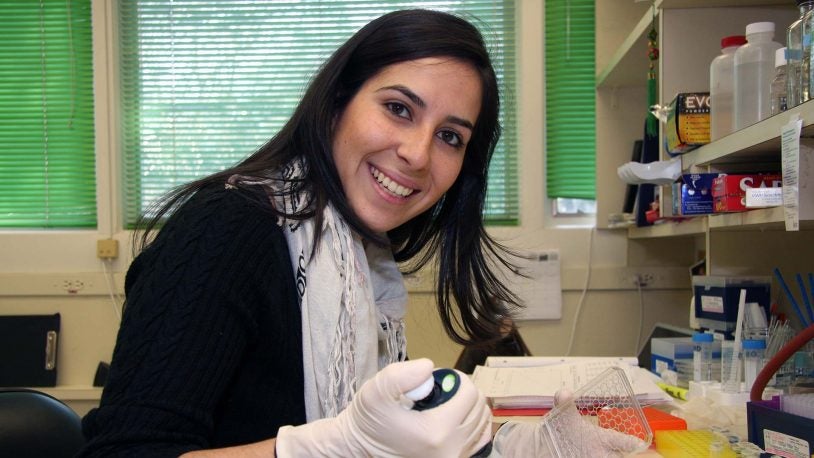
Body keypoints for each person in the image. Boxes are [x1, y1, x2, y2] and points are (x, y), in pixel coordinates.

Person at [79, 8, 648, 457]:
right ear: (335, 105)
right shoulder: (228, 233)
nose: (418, 153)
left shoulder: (362, 260)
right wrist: (330, 449)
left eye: (451, 136)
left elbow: (390, 435)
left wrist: (524, 446)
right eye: (399, 108)